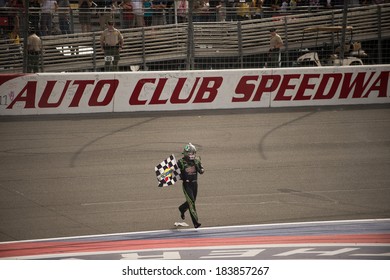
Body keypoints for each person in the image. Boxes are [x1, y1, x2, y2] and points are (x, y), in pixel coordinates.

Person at [178, 143, 205, 229]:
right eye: (190, 153)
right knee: (191, 202)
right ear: (186, 153)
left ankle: (182, 208)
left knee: (192, 202)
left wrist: (201, 167)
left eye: (193, 153)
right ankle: (196, 222)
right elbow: (176, 173)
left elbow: (201, 171)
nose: (192, 155)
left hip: (195, 184)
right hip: (187, 184)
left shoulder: (196, 161)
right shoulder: (181, 162)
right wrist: (180, 176)